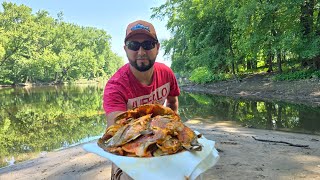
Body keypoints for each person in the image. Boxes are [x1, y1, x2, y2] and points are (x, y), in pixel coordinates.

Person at [102, 20, 180, 180]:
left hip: (159, 140)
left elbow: (172, 103)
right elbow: (118, 133)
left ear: (157, 48)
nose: (141, 51)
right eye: (133, 45)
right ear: (125, 49)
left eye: (148, 44)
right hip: (126, 150)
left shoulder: (166, 73)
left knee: (192, 170)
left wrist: (173, 129)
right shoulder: (116, 86)